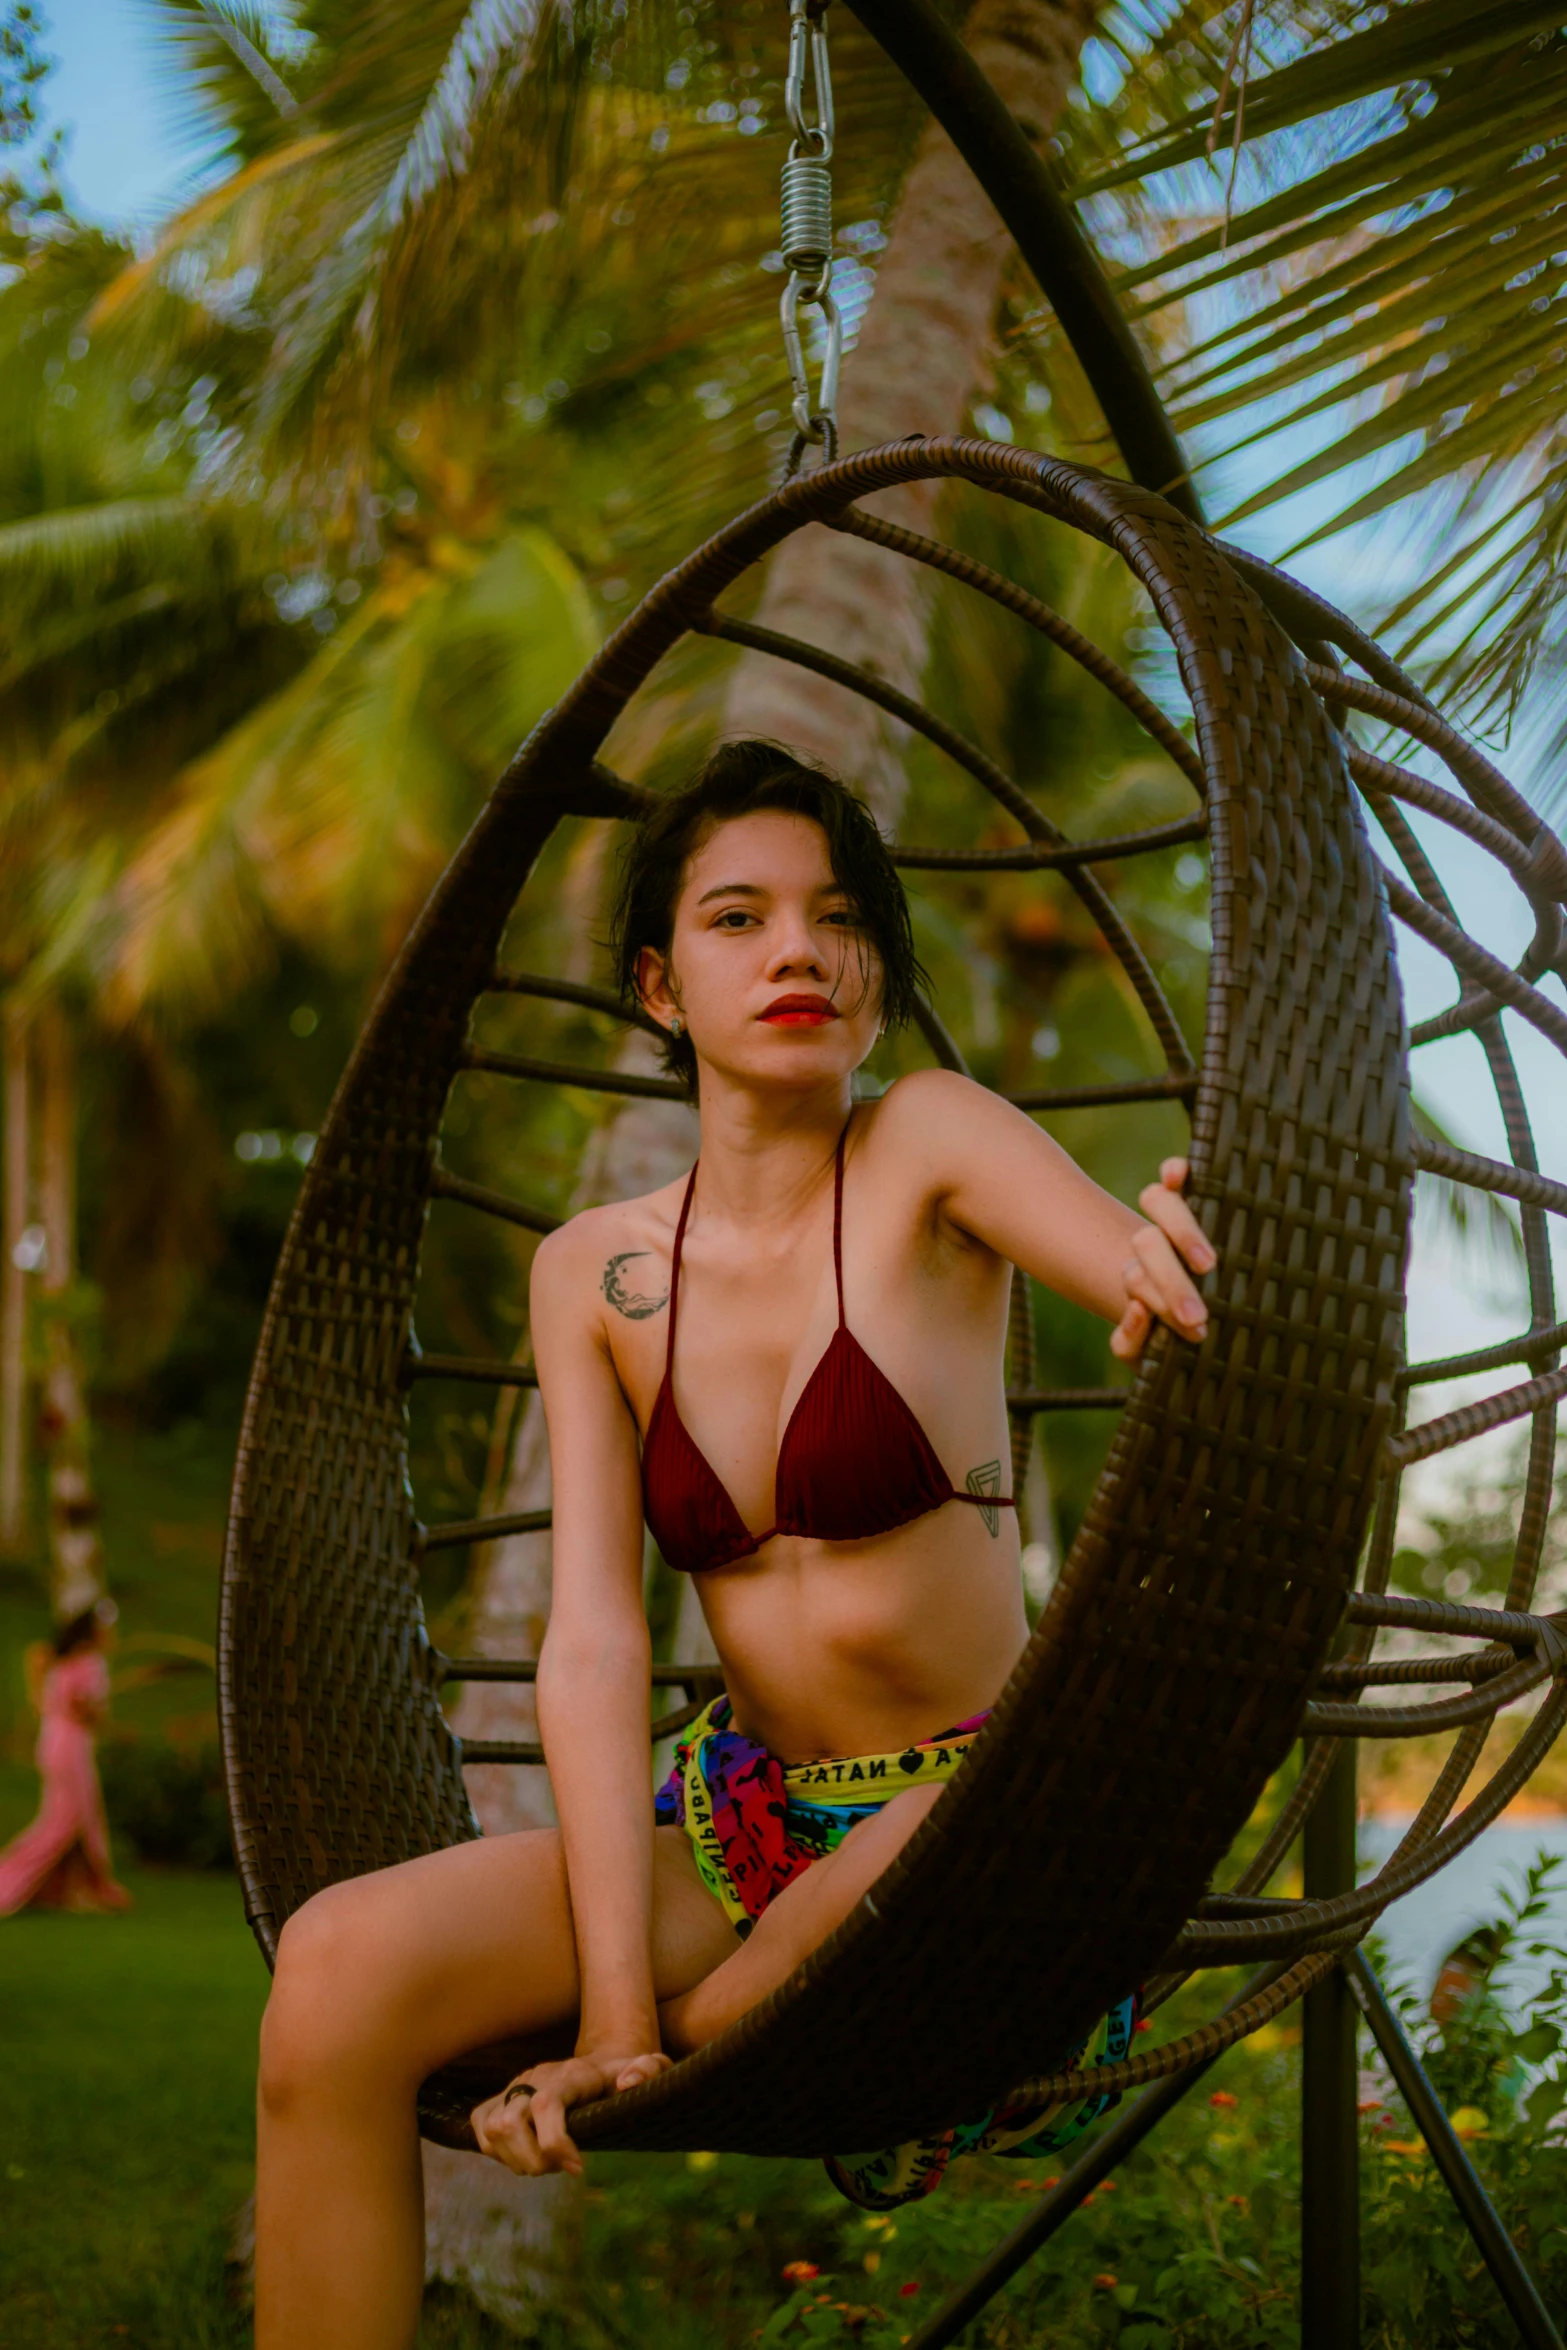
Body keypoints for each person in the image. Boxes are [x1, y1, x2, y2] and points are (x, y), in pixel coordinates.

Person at [254, 741, 1215, 2347]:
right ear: (655, 983)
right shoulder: (596, 1272)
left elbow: (1136, 1273)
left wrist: (1161, 1249)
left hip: (975, 1829)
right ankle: (645, 2027)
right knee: (340, 1965)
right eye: (735, 916)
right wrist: (618, 2002)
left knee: (860, 1903)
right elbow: (594, 1636)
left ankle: (664, 2033)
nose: (797, 951)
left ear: (875, 971)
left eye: (837, 918)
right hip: (739, 1824)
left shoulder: (927, 1142)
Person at [0, 1595, 132, 1916]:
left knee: (79, 1821)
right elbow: (85, 1708)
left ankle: (78, 1893)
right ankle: (7, 1885)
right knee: (62, 1823)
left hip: (53, 1745)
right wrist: (104, 1715)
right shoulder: (89, 1663)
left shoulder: (63, 1662)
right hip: (71, 1748)